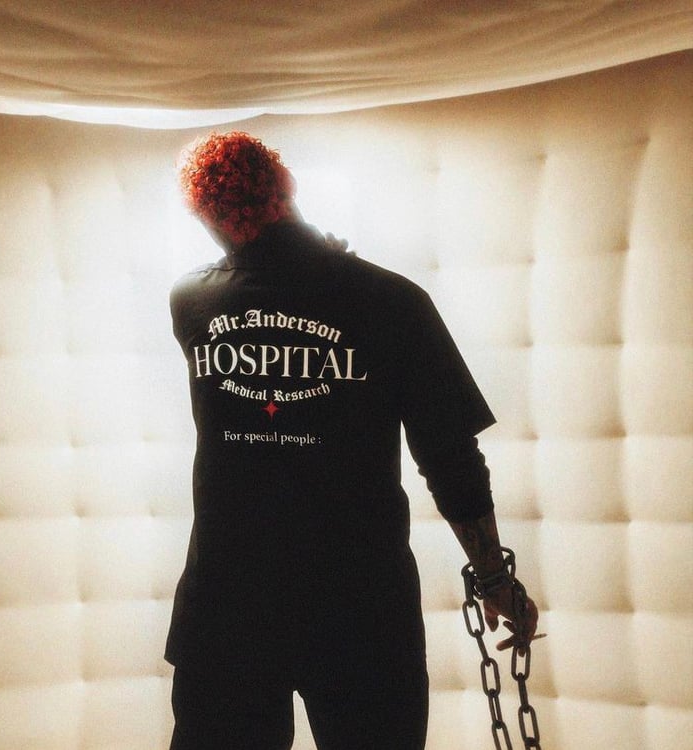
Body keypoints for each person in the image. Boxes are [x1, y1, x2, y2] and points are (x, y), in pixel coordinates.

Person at [165, 131, 539, 750]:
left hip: (228, 606)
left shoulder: (192, 301)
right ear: (288, 187)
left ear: (209, 218)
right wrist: (494, 578)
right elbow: (450, 456)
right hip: (359, 606)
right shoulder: (392, 301)